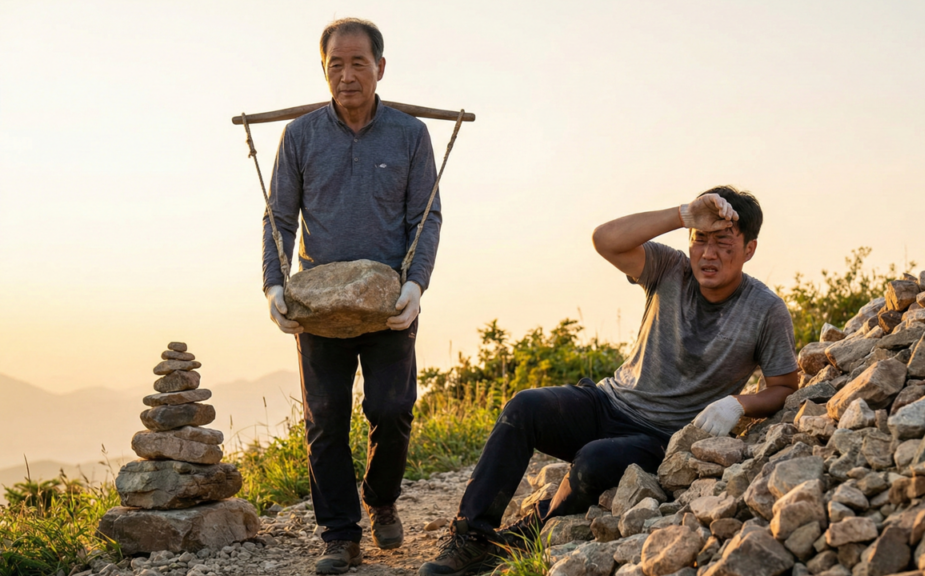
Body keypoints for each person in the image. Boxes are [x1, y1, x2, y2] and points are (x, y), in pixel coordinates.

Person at [419, 186, 799, 576]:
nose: (708, 254)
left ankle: (529, 533)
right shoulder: (670, 268)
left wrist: (739, 404)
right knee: (524, 407)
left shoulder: (765, 310)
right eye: (700, 240)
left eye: (723, 242)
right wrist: (684, 213)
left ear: (749, 249)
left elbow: (784, 385)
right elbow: (605, 240)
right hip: (607, 402)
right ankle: (471, 536)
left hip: (661, 437)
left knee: (593, 462)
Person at [261, 18, 442, 576]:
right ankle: (339, 534)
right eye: (335, 64)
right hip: (320, 302)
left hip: (388, 299)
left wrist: (415, 286)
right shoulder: (300, 136)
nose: (346, 75)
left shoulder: (410, 134)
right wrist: (273, 285)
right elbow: (278, 218)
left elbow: (426, 216)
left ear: (380, 68)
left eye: (357, 62)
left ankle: (381, 498)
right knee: (326, 417)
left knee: (392, 409)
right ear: (324, 70)